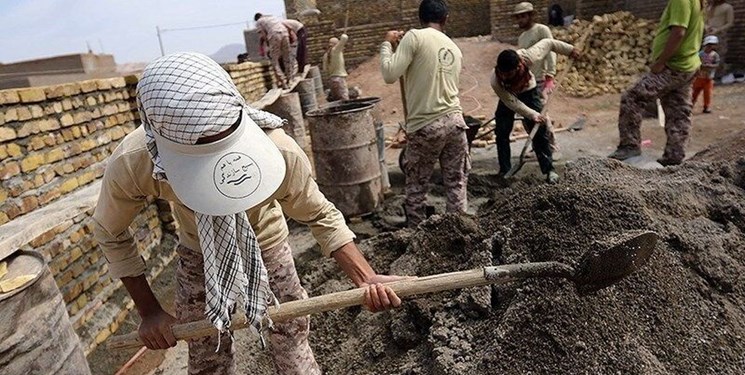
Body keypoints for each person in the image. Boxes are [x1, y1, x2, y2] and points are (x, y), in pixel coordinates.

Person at [92, 53, 404, 375]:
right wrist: (150, 311)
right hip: (198, 251)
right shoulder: (135, 162)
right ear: (161, 139)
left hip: (267, 242)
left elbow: (319, 213)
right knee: (205, 348)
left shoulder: (277, 150)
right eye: (201, 156)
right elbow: (109, 230)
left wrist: (366, 278)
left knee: (290, 335)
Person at [380, 0, 469, 227]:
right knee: (456, 183)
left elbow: (390, 74)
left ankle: (415, 236)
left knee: (417, 186)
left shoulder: (415, 37)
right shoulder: (454, 48)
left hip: (427, 125)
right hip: (456, 123)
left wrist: (387, 45)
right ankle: (459, 233)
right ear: (445, 19)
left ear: (420, 18)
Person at [609, 0, 704, 166]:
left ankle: (629, 146)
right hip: (687, 65)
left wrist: (661, 61)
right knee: (678, 110)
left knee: (632, 98)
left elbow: (679, 32)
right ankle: (674, 156)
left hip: (673, 65)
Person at [490, 40, 581, 184]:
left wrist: (569, 50)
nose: (505, 77)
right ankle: (505, 171)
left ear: (519, 65)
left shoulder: (527, 57)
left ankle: (549, 170)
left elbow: (549, 43)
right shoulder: (495, 80)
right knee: (501, 131)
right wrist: (532, 114)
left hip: (528, 91)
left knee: (539, 130)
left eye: (509, 73)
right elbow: (511, 102)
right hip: (509, 96)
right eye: (503, 73)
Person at [513, 1, 560, 153]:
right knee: (529, 116)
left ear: (531, 15)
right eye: (518, 17)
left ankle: (551, 147)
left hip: (540, 79)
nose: (520, 20)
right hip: (526, 81)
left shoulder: (541, 30)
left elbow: (551, 49)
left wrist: (550, 75)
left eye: (523, 16)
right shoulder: (522, 37)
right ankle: (538, 145)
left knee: (542, 114)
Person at [255, 13, 296, 89]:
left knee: (274, 61)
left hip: (274, 35)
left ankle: (283, 82)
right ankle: (290, 80)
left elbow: (263, 35)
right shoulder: (272, 17)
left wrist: (268, 45)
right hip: (285, 34)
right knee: (287, 57)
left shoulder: (259, 22)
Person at [692, 36, 721, 114]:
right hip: (699, 77)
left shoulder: (715, 55)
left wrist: (710, 66)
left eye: (712, 45)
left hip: (708, 78)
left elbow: (717, 64)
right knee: (694, 92)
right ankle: (690, 106)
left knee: (707, 93)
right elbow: (695, 63)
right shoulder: (700, 54)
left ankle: (706, 107)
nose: (710, 47)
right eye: (709, 45)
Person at [705, 0, 734, 75]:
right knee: (707, 54)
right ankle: (707, 74)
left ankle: (718, 74)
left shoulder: (727, 7)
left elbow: (730, 23)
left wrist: (718, 29)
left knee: (719, 54)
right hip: (708, 35)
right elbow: (705, 21)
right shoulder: (709, 7)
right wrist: (706, 27)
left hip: (720, 35)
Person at [323, 34, 349, 101]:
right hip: (339, 78)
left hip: (331, 80)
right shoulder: (336, 51)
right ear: (336, 44)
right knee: (344, 99)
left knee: (336, 100)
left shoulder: (326, 55)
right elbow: (344, 38)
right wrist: (344, 35)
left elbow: (325, 69)